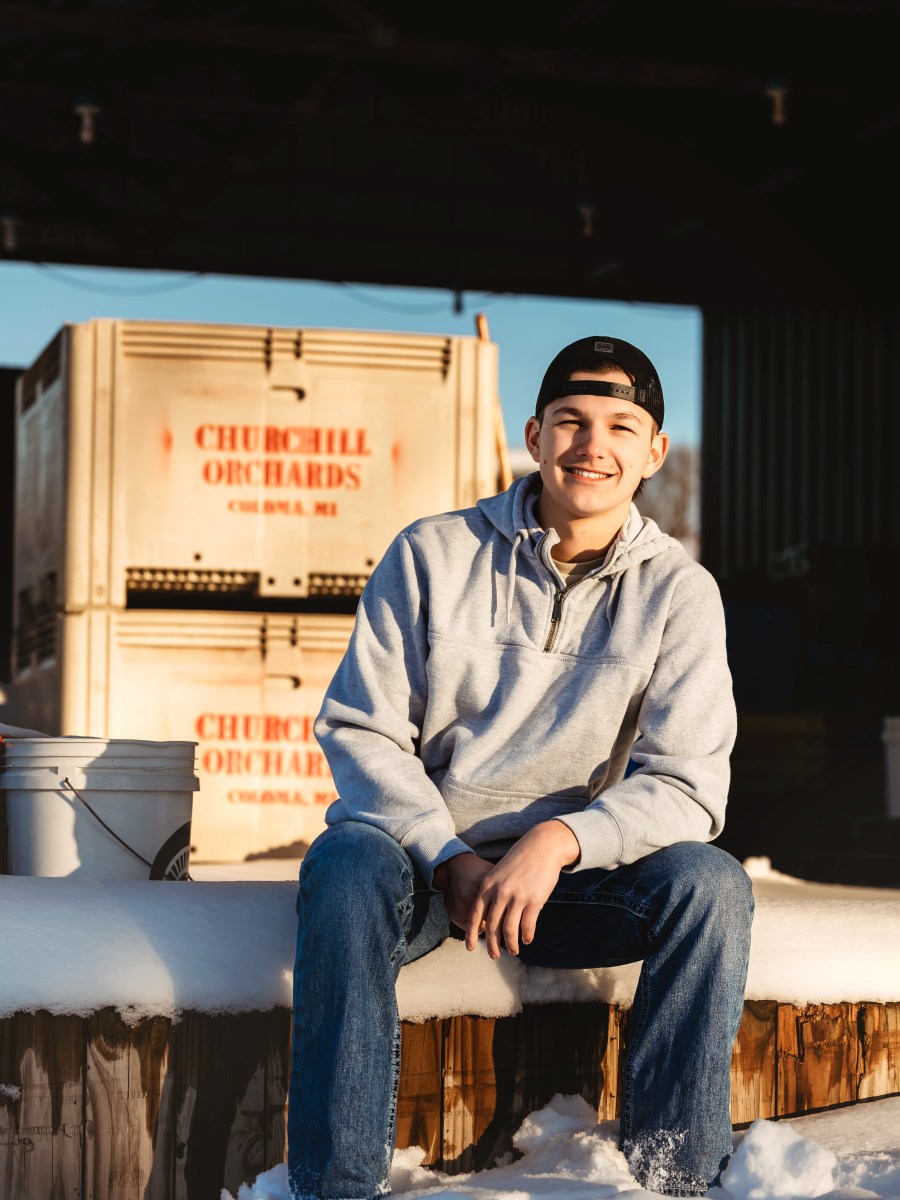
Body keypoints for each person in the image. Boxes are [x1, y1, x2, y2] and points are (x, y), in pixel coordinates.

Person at [288, 335, 754, 1199]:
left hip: (567, 886)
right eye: (571, 422)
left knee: (710, 884)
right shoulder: (430, 554)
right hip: (424, 872)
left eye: (622, 426)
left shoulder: (680, 594)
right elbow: (361, 730)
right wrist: (445, 853)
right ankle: (334, 1187)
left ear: (653, 452)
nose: (593, 445)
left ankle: (674, 1180)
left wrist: (560, 840)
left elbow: (689, 782)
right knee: (345, 862)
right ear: (535, 436)